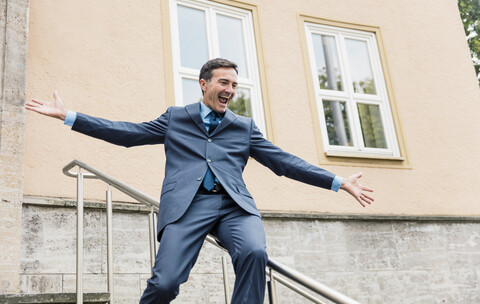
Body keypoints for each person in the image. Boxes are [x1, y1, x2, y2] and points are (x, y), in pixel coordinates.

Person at [25, 58, 374, 304]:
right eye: (225, 82)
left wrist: (337, 181)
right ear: (205, 84)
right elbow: (128, 134)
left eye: (235, 85)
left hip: (235, 208)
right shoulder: (176, 118)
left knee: (254, 252)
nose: (231, 90)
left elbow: (283, 162)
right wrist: (70, 116)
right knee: (165, 283)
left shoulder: (244, 127)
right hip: (188, 207)